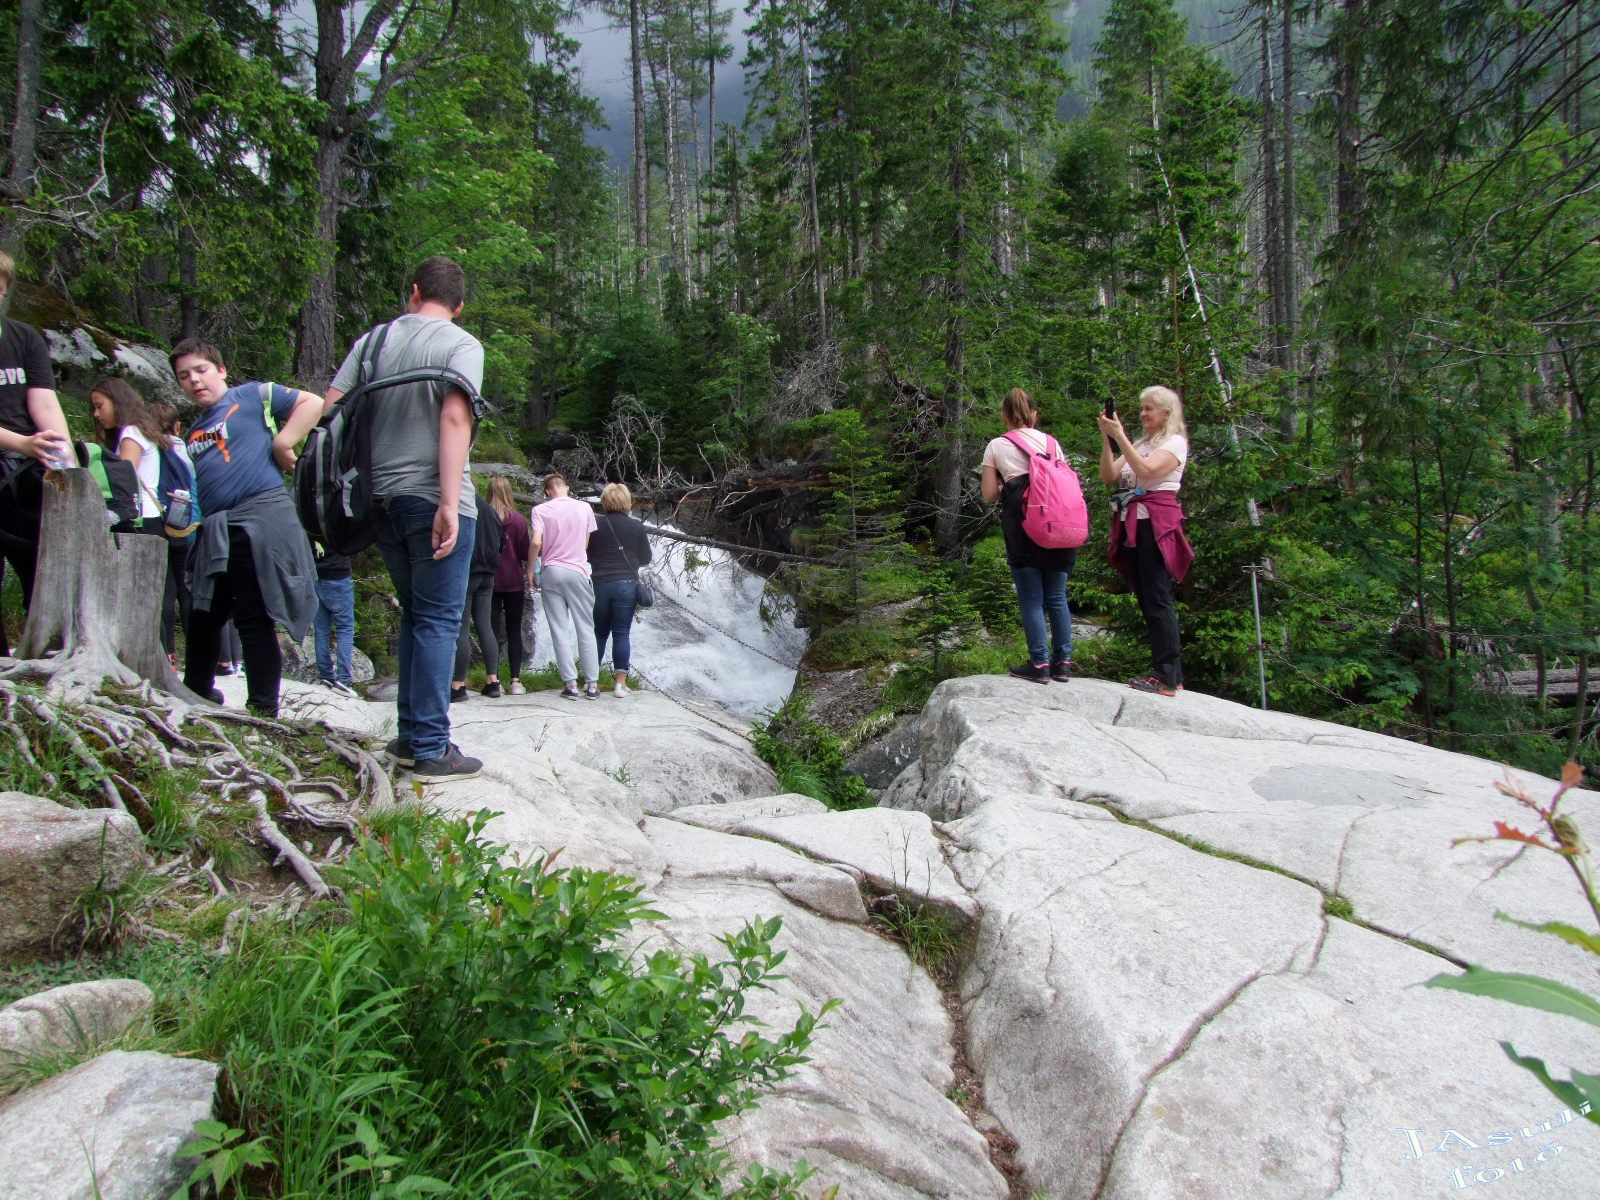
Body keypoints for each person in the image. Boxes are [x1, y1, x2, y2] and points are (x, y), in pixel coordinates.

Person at [325, 256, 483, 780]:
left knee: (416, 615)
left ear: (413, 292)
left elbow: (331, 411)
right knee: (438, 618)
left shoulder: (372, 343)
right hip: (433, 496)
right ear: (458, 307)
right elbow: (456, 415)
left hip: (380, 500)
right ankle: (433, 746)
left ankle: (411, 737)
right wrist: (446, 501)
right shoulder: (461, 345)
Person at [171, 337, 323, 716]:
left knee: (253, 617)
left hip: (258, 521)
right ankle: (198, 693)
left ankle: (262, 710)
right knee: (204, 615)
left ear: (221, 369)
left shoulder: (252, 395)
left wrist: (282, 442)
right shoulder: (192, 433)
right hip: (217, 530)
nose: (194, 380)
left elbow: (313, 402)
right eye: (184, 376)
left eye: (201, 370)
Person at [1098, 384, 1195, 697]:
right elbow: (1110, 476)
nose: (1143, 414)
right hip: (1134, 525)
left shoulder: (1174, 443)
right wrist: (1108, 439)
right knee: (1147, 596)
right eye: (1142, 409)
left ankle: (1166, 674)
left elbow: (1147, 469)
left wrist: (1121, 437)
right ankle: (1170, 673)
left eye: (1149, 408)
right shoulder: (1142, 442)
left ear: (1166, 412)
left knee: (1157, 596)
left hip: (1155, 525)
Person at [0, 250, 72, 658]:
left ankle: (44, 649)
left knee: (40, 563)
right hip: (18, 449)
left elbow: (44, 405)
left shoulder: (24, 338)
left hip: (27, 467)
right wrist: (21, 442)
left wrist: (67, 465)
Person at [980, 387, 1076, 684]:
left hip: (1024, 527)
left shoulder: (997, 445)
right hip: (1058, 525)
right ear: (1034, 415)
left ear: (1004, 416)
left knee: (1031, 598)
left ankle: (1039, 664)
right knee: (1057, 596)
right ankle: (1062, 662)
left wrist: (1005, 484)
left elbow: (988, 496)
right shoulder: (1052, 444)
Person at [89, 378, 188, 656]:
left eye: (100, 406)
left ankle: (150, 652)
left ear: (116, 401)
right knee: (162, 590)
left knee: (144, 592)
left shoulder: (131, 433)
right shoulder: (147, 430)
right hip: (155, 519)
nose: (97, 414)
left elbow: (124, 477)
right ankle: (165, 653)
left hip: (139, 520)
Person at [528, 472, 598, 700]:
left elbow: (536, 541)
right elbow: (586, 543)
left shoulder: (540, 510)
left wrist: (530, 569)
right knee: (585, 628)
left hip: (552, 571)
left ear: (547, 491)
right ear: (566, 487)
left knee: (559, 629)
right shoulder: (585, 508)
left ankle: (570, 685)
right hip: (577, 570)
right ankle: (592, 685)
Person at [588, 482, 652, 697]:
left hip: (600, 583)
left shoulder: (595, 525)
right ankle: (620, 684)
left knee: (599, 632)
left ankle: (591, 682)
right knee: (621, 633)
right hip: (626, 584)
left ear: (605, 501)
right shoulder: (636, 526)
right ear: (627, 501)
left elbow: (586, 554)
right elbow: (646, 558)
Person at [451, 489, 502, 701]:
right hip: (488, 573)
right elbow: (502, 539)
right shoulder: (490, 510)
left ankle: (458, 685)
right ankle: (493, 681)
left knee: (462, 627)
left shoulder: (458, 504)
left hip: (467, 570)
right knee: (485, 625)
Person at [486, 476, 531, 694]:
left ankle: (492, 679)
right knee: (514, 631)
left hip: (489, 581)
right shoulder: (519, 521)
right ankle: (515, 680)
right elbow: (524, 552)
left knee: (491, 630)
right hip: (514, 581)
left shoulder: (482, 517)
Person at [311, 543, 357, 697]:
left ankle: (326, 676)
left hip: (316, 575)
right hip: (338, 574)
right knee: (345, 628)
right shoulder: (334, 521)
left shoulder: (308, 520)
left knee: (321, 630)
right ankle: (343, 679)